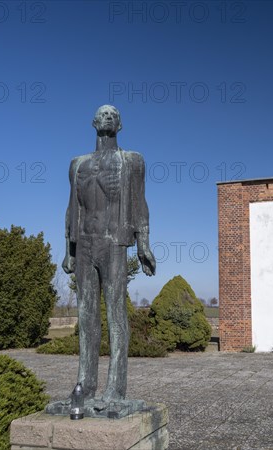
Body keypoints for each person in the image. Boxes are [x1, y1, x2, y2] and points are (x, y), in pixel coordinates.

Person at [62, 105, 156, 403]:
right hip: (85, 243)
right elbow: (71, 209)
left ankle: (115, 387)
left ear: (120, 125)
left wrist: (143, 243)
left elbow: (139, 204)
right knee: (87, 316)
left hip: (113, 242)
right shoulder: (77, 164)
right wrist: (69, 250)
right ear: (92, 122)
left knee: (115, 312)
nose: (107, 117)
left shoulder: (131, 161)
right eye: (102, 114)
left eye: (112, 115)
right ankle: (84, 385)